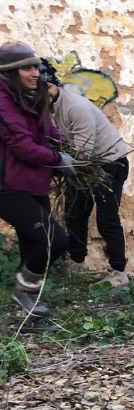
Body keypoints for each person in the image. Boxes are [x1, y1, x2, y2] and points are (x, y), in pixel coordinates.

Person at [0, 42, 73, 321]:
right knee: (54, 239)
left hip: (33, 181)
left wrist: (71, 151)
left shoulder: (31, 96)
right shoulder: (3, 101)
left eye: (36, 67)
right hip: (8, 187)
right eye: (27, 68)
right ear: (9, 73)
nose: (35, 73)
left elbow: (48, 132)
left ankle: (29, 318)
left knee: (32, 246)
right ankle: (25, 291)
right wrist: (57, 160)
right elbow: (21, 145)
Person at [43, 60, 130, 287]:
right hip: (81, 165)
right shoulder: (44, 108)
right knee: (74, 215)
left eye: (47, 87)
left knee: (106, 219)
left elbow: (83, 152)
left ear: (55, 85)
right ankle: (77, 264)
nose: (43, 93)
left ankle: (119, 272)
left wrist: (53, 165)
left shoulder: (76, 107)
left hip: (109, 163)